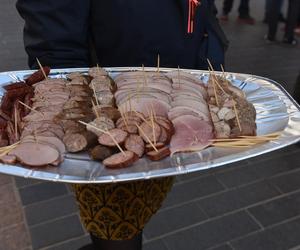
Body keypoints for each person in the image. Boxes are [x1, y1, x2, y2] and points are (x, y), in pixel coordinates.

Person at [16, 1, 228, 250]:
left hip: (177, 96)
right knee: (116, 225)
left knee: (144, 202)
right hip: (106, 113)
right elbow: (53, 34)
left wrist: (209, 47)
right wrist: (72, 95)